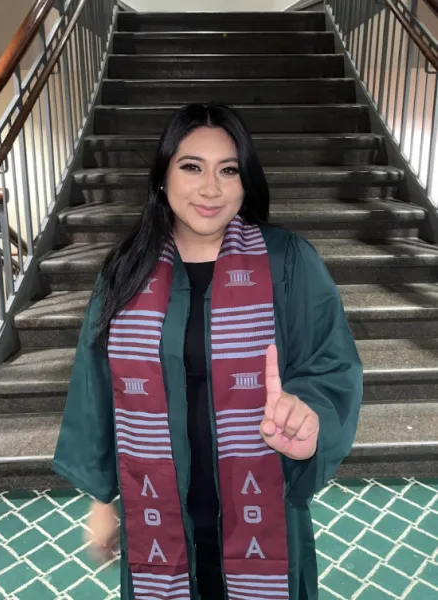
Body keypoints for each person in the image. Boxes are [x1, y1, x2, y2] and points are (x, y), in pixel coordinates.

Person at [53, 103, 363, 600]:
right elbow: (97, 386)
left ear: (246, 182)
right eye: (192, 166)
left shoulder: (289, 262)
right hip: (157, 503)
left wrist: (311, 417)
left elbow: (330, 366)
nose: (211, 189)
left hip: (264, 499)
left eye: (229, 170)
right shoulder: (125, 271)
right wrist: (100, 498)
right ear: (162, 176)